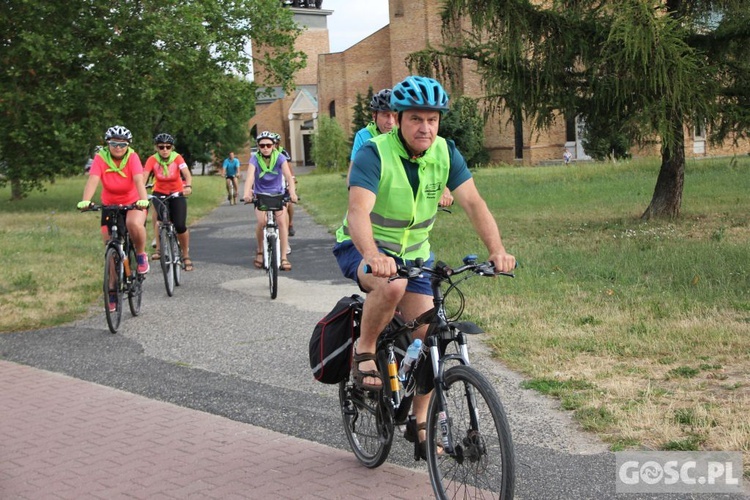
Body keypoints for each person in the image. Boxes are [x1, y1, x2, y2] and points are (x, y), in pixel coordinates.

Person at [332, 76, 516, 458]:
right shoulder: (374, 153)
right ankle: (365, 349)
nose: (425, 128)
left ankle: (419, 424)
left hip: (416, 255)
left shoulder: (446, 153)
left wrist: (497, 249)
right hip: (362, 247)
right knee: (392, 286)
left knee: (429, 334)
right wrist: (372, 256)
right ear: (398, 119)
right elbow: (357, 212)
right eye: (416, 119)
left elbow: (474, 204)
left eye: (432, 120)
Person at [78, 125, 150, 311]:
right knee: (110, 247)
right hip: (109, 204)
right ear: (108, 144)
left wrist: (143, 200)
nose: (118, 147)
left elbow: (137, 180)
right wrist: (85, 201)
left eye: (122, 144)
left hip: (133, 202)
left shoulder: (132, 157)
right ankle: (111, 289)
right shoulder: (101, 157)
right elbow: (93, 179)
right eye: (114, 143)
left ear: (128, 145)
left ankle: (141, 255)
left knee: (133, 224)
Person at [348, 87, 453, 207]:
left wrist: (443, 189)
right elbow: (353, 175)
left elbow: (427, 163)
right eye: (385, 115)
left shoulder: (408, 134)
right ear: (374, 116)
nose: (391, 122)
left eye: (394, 115)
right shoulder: (365, 136)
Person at [243, 131, 298, 271]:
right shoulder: (254, 159)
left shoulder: (280, 158)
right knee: (262, 222)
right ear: (258, 147)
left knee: (281, 222)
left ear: (273, 145)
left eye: (268, 145)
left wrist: (292, 192)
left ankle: (284, 257)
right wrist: (246, 193)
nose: (265, 148)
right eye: (262, 146)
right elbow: (250, 177)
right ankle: (260, 251)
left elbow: (289, 176)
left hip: (277, 194)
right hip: (261, 195)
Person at [144, 133, 194, 271]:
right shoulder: (152, 160)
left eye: (168, 147)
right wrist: (140, 191)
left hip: (177, 192)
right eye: (161, 147)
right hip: (159, 193)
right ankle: (159, 250)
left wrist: (188, 186)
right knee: (160, 221)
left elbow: (187, 174)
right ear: (156, 148)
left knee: (180, 225)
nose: (165, 150)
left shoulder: (177, 158)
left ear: (172, 147)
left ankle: (185, 255)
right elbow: (144, 176)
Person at [273, 133, 296, 238]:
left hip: (284, 179)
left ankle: (290, 223)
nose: (274, 145)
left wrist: (292, 179)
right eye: (273, 143)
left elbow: (289, 167)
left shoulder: (283, 152)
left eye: (276, 143)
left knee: (289, 203)